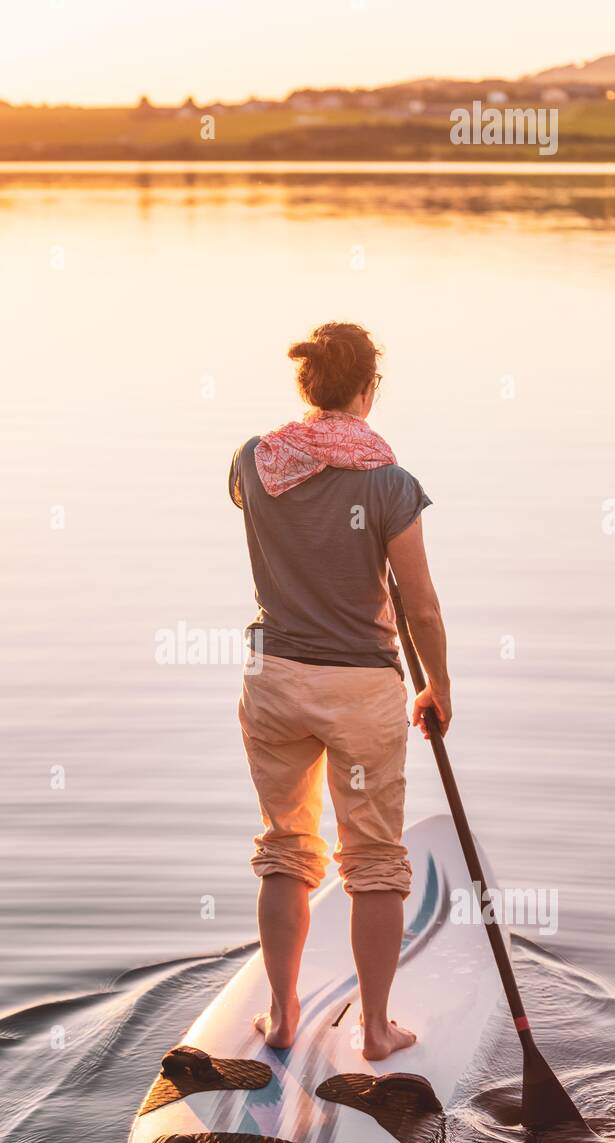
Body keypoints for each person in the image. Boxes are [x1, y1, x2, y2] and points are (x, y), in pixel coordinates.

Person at [229, 321, 451, 1059]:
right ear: (368, 390)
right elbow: (418, 606)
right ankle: (377, 1029)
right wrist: (437, 685)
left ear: (305, 387)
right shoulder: (389, 484)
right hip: (360, 687)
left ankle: (284, 1015)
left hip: (275, 682)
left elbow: (279, 516)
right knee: (373, 859)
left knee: (286, 850)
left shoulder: (251, 464)